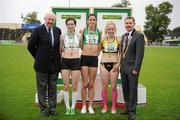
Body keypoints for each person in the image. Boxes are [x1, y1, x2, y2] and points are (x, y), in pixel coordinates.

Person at [27, 12, 61, 117]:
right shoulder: (37, 30)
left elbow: (58, 47)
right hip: (41, 65)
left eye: (52, 20)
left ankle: (52, 108)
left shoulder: (57, 31)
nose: (50, 21)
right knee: (42, 88)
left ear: (54, 21)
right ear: (44, 19)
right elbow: (30, 46)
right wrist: (38, 57)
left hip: (54, 65)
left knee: (52, 87)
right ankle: (43, 109)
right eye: (49, 19)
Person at [120, 16, 145, 120]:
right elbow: (122, 53)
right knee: (125, 89)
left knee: (132, 90)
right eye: (126, 23)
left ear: (134, 23)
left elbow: (140, 54)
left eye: (130, 23)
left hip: (132, 68)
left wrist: (136, 68)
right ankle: (127, 107)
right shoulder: (123, 36)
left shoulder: (139, 36)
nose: (128, 25)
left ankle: (132, 112)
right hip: (124, 68)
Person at [80, 14, 101, 114]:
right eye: (90, 20)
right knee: (84, 84)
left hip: (94, 59)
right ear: (87, 21)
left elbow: (100, 45)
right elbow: (80, 45)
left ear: (96, 21)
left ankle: (90, 106)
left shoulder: (99, 31)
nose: (92, 21)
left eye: (94, 20)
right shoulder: (83, 30)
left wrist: (96, 53)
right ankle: (84, 105)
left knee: (92, 84)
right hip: (84, 58)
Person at [60, 17, 81, 115]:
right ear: (66, 25)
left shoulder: (79, 36)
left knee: (75, 85)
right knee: (66, 85)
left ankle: (73, 107)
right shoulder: (62, 36)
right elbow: (60, 49)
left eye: (72, 24)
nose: (70, 26)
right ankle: (67, 107)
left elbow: (82, 47)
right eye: (68, 24)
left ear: (75, 25)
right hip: (65, 61)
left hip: (76, 61)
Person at [100, 21, 120, 114]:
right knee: (104, 87)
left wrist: (118, 64)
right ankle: (104, 106)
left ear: (115, 30)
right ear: (106, 30)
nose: (111, 30)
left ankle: (113, 106)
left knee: (113, 87)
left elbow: (121, 53)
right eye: (109, 29)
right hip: (103, 65)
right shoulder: (103, 39)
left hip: (114, 65)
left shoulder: (118, 40)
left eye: (112, 29)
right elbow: (96, 50)